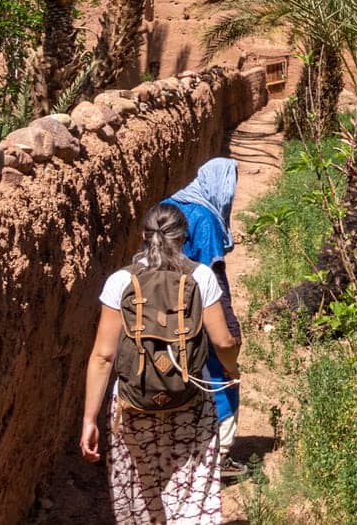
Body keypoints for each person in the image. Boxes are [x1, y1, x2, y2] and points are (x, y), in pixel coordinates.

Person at [81, 203, 240, 525]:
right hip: (190, 401)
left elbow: (103, 356)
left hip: (133, 404)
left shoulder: (119, 282)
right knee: (191, 488)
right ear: (185, 237)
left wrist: (89, 419)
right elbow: (223, 342)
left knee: (141, 489)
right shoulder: (200, 277)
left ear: (143, 236)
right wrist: (232, 371)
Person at [166, 157, 243, 476]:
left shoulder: (168, 206)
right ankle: (218, 455)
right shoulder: (206, 219)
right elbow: (215, 282)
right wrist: (230, 334)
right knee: (222, 376)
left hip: (161, 310)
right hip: (197, 311)